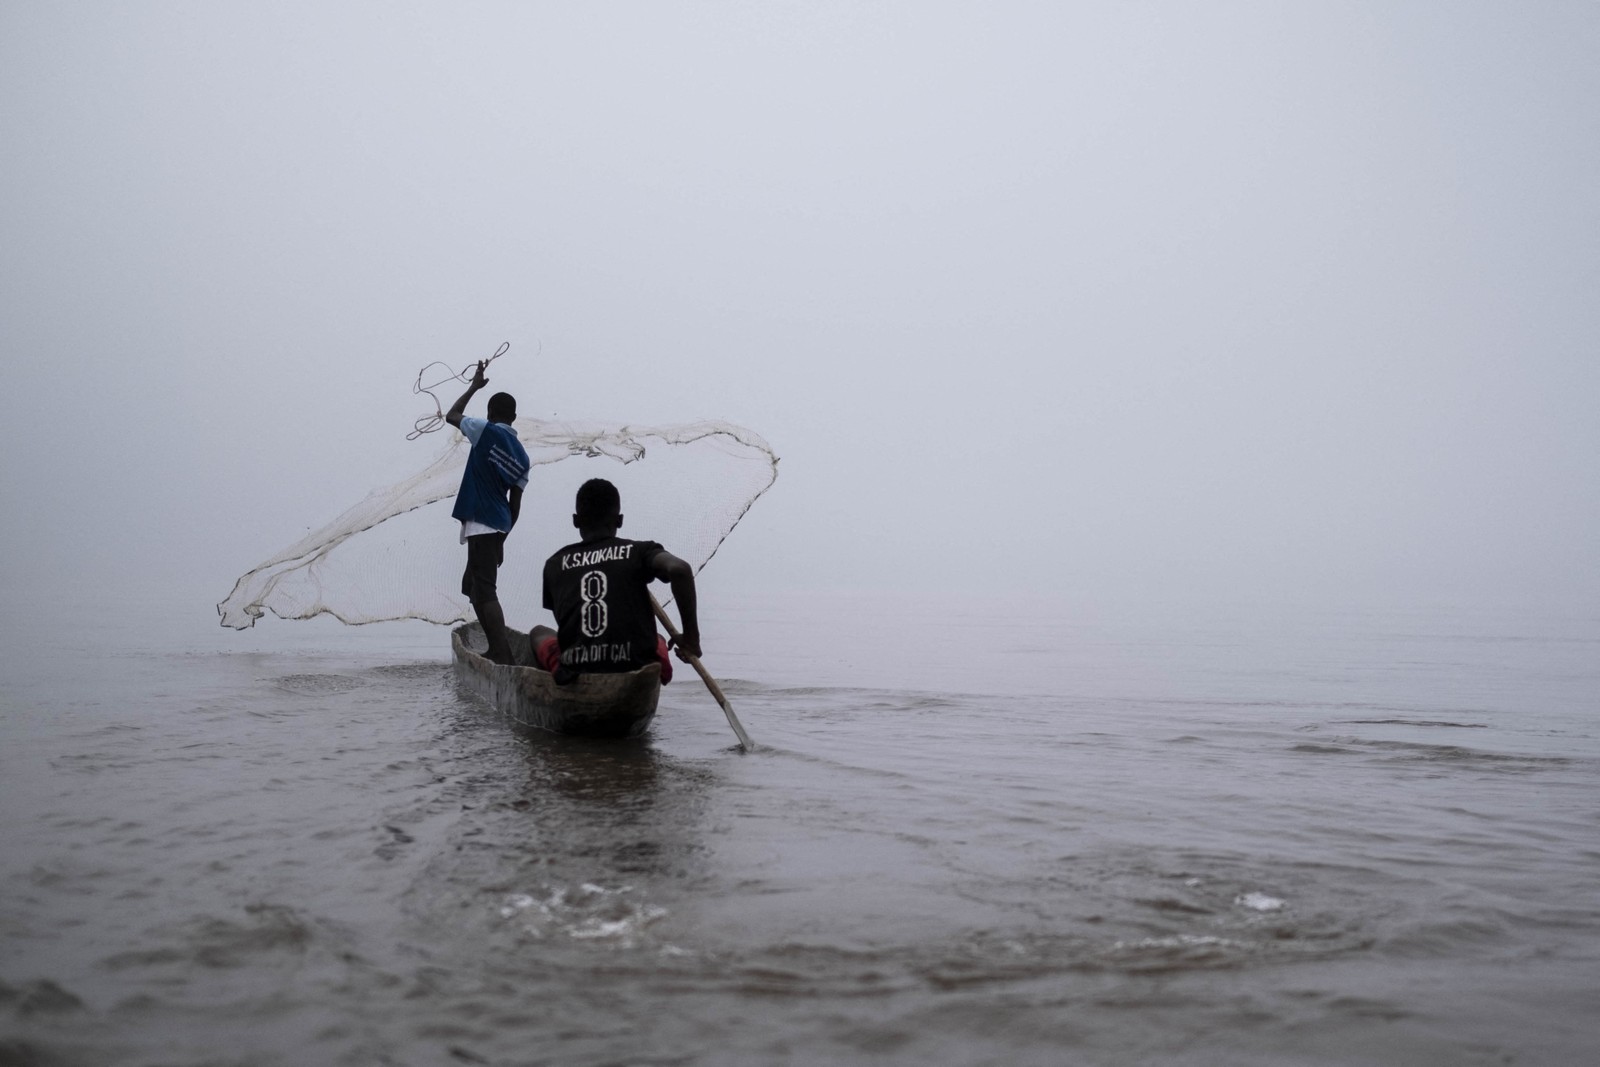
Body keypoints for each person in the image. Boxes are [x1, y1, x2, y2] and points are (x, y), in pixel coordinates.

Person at [531, 478, 700, 684]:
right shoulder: (639, 552)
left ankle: (560, 680)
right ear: (619, 520)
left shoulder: (554, 564)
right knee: (659, 639)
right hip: (636, 665)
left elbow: (569, 622)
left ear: (576, 521)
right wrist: (691, 639)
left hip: (577, 669)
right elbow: (680, 570)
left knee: (538, 633)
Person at [445, 360, 530, 664]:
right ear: (514, 417)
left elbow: (451, 415)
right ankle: (497, 643)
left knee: (485, 589)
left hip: (482, 521)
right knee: (471, 585)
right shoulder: (523, 457)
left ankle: (501, 652)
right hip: (497, 524)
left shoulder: (484, 430)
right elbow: (515, 506)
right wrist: (502, 541)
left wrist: (474, 387)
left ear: (492, 413)